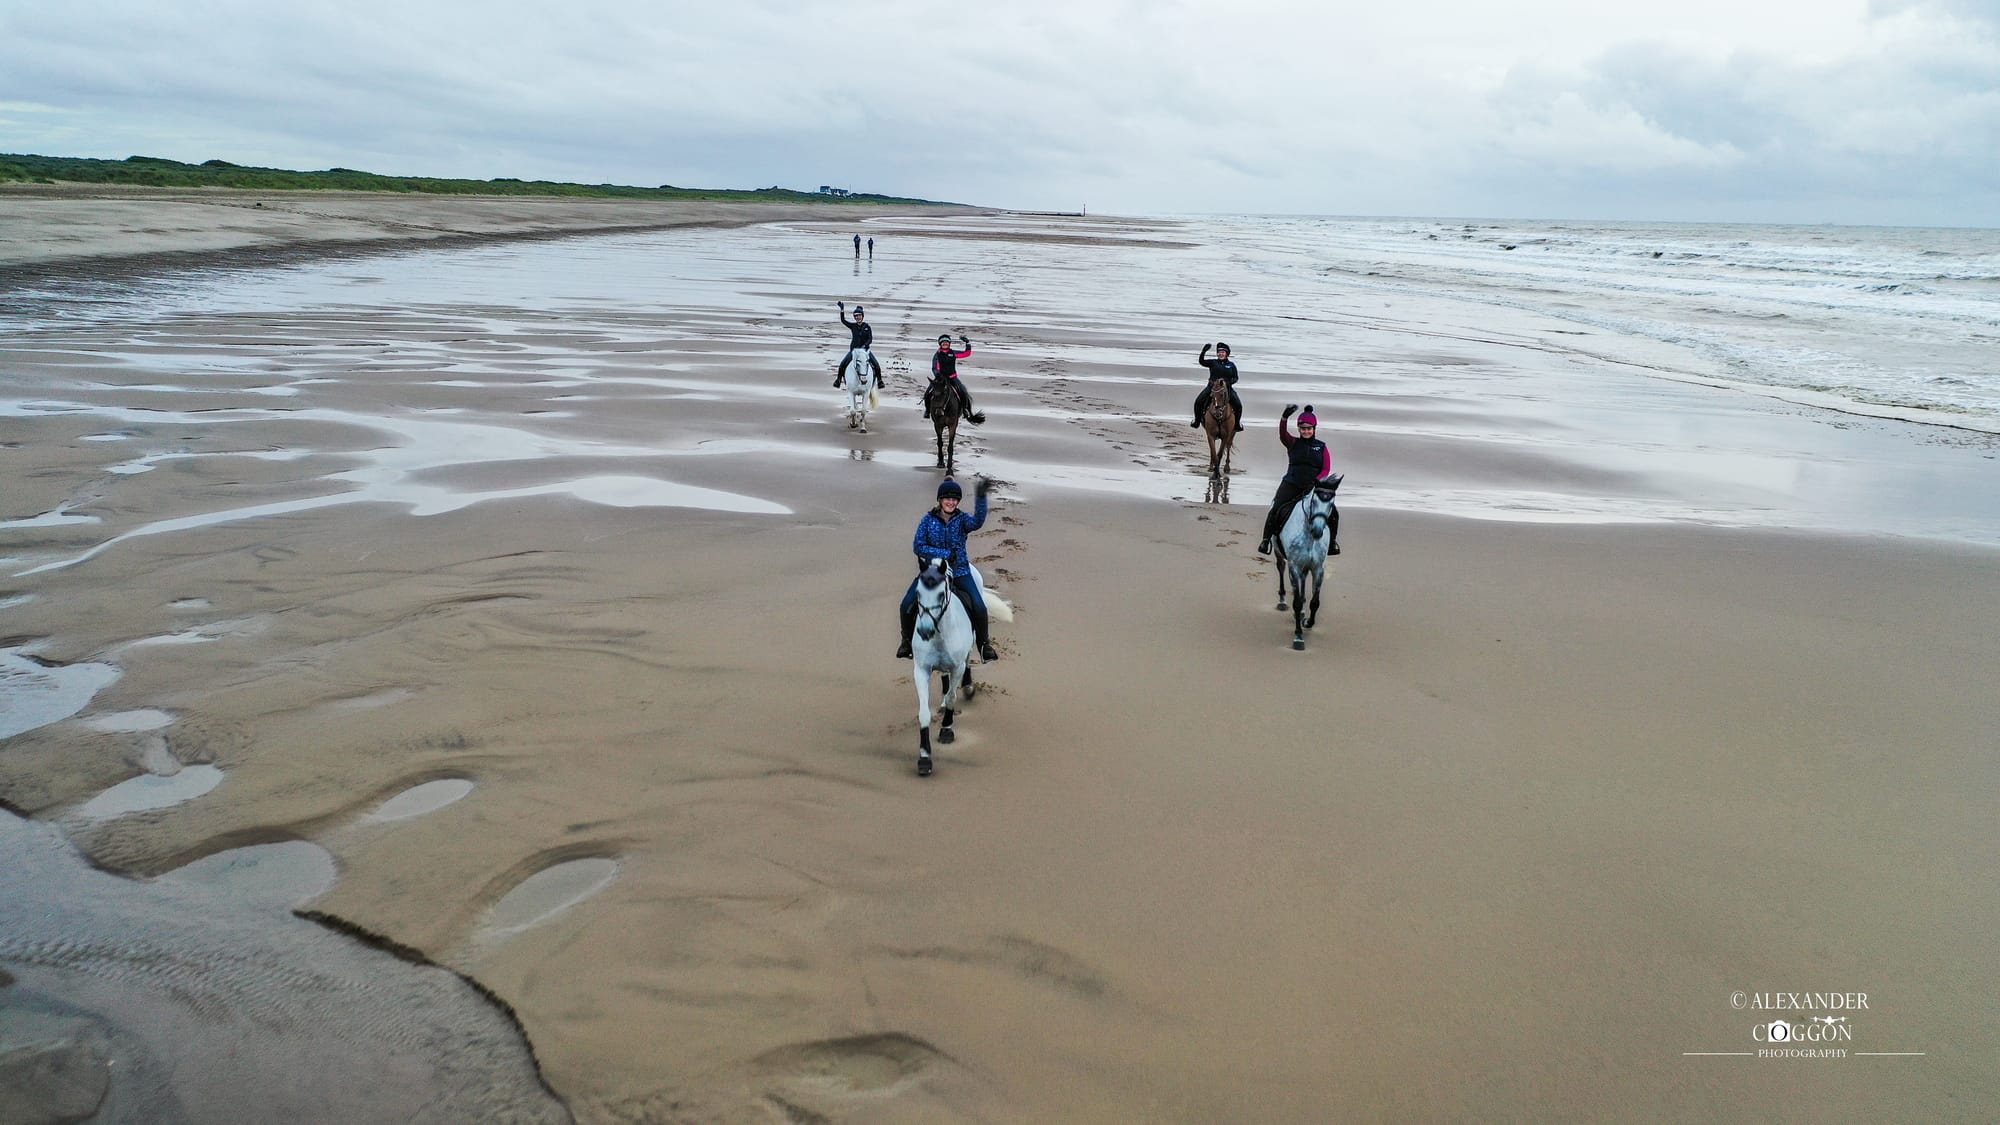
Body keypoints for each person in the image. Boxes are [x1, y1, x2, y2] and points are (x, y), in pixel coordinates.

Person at [897, 477, 999, 662]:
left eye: (954, 499)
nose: (951, 502)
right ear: (940, 500)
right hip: (932, 573)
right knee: (906, 604)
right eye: (947, 499)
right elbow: (918, 546)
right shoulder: (927, 520)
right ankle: (906, 642)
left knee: (979, 605)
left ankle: (984, 646)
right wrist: (944, 553)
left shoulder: (962, 520)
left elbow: (977, 521)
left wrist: (981, 497)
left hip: (959, 571)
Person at [1258, 404, 1340, 556]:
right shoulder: (1293, 443)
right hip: (1292, 483)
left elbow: (1326, 469)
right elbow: (1283, 434)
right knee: (1276, 507)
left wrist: (1316, 481)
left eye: (1309, 428)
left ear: (1314, 429)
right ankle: (1266, 540)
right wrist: (1284, 418)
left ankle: (1332, 543)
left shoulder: (1322, 447)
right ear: (1299, 429)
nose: (1306, 431)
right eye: (1303, 429)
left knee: (1333, 512)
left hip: (1313, 487)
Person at [923, 333, 985, 424]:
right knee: (927, 393)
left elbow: (966, 354)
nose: (945, 344)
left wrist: (967, 343)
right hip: (940, 379)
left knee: (963, 392)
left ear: (949, 343)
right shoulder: (937, 355)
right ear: (940, 344)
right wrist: (939, 376)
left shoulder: (953, 353)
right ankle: (927, 411)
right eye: (943, 342)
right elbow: (935, 368)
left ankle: (966, 411)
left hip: (952, 378)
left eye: (947, 342)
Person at [1190, 342, 1245, 432]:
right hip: (1212, 388)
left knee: (1238, 405)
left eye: (1223, 352)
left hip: (1227, 389)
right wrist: (1203, 351)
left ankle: (1237, 424)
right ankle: (1197, 421)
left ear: (1227, 354)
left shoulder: (1231, 365)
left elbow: (1235, 378)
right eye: (1219, 352)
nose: (1220, 354)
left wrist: (1228, 383)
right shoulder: (1213, 362)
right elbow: (1202, 362)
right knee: (1198, 401)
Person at [833, 301, 883, 387]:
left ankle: (880, 381)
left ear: (862, 316)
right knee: (842, 364)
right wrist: (842, 310)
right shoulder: (853, 326)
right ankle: (838, 380)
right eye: (856, 316)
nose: (858, 317)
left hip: (865, 351)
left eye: (859, 315)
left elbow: (870, 339)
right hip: (854, 351)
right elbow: (843, 321)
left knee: (876, 364)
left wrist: (865, 346)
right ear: (855, 317)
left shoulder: (867, 327)